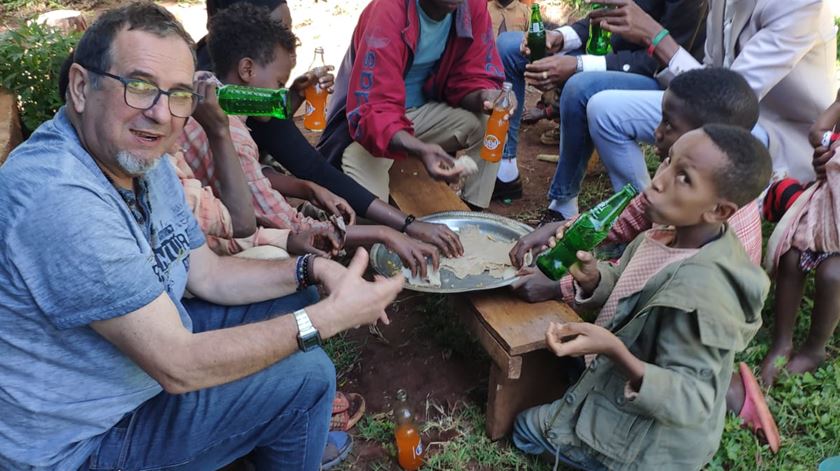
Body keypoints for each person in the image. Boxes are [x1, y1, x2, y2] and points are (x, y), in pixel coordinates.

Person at [0, 4, 404, 470]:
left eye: (177, 95)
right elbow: (178, 364)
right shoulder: (58, 197)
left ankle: (274, 435)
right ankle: (284, 426)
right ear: (79, 87)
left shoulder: (138, 157)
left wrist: (311, 267)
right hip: (81, 443)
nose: (159, 114)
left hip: (133, 376)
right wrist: (329, 317)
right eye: (139, 87)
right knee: (308, 375)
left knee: (294, 296)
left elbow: (206, 273)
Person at [512, 124, 772, 469]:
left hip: (644, 444)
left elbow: (693, 400)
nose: (659, 179)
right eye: (666, 162)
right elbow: (629, 286)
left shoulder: (700, 295)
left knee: (525, 428)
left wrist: (613, 349)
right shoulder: (667, 234)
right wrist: (594, 279)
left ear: (719, 212)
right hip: (619, 383)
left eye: (684, 178)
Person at [182, 4, 441, 276]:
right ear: (247, 69)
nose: (282, 94)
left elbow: (254, 167)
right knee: (281, 256)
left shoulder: (203, 82)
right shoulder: (232, 135)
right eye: (280, 83)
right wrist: (387, 233)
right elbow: (291, 225)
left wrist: (305, 187)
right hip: (205, 257)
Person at [510, 67, 763, 304]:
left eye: (668, 124)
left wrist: (559, 286)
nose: (657, 131)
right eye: (661, 119)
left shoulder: (709, 254)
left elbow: (639, 282)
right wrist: (562, 227)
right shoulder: (684, 179)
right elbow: (627, 218)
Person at [582, 0, 835, 213]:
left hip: (778, 139)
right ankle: (641, 214)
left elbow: (730, 101)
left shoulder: (801, 4)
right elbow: (711, 71)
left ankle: (685, 221)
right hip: (721, 114)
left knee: (723, 128)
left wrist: (655, 36)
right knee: (604, 110)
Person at [493, 0, 707, 206]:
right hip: (615, 56)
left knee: (579, 86)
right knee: (508, 46)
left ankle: (563, 202)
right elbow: (604, 16)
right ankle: (506, 169)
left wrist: (579, 64)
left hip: (664, 79)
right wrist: (559, 36)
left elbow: (666, 59)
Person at [318, 0, 509, 210]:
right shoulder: (387, 11)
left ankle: (471, 216)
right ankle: (322, 211)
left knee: (491, 122)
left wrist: (486, 94)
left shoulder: (471, 7)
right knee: (370, 213)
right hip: (371, 128)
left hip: (424, 114)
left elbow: (469, 77)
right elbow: (372, 110)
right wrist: (420, 149)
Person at [759, 94, 840, 385]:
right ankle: (782, 342)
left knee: (832, 274)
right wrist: (825, 148)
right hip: (827, 209)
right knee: (792, 257)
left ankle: (814, 349)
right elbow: (818, 132)